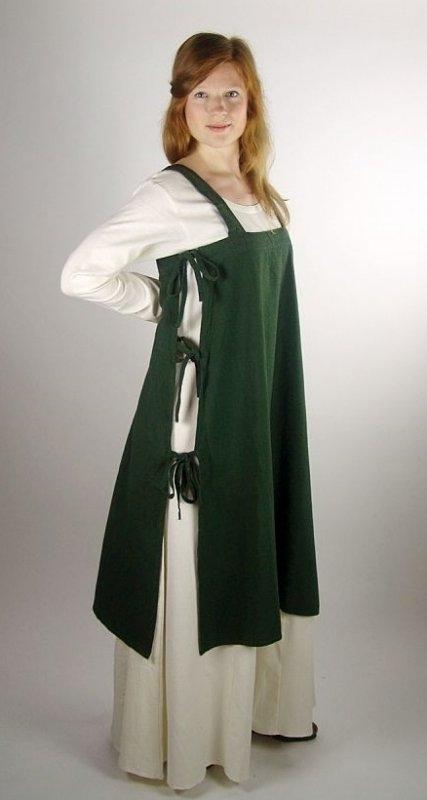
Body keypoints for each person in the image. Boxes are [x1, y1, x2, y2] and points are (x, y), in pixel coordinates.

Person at [60, 31, 320, 791]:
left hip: (262, 402)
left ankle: (258, 710)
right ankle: (185, 734)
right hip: (203, 418)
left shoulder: (260, 191)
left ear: (251, 103)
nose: (216, 107)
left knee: (257, 536)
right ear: (180, 105)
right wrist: (164, 305)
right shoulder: (169, 195)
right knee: (207, 555)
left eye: (230, 92)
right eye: (200, 93)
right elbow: (82, 274)